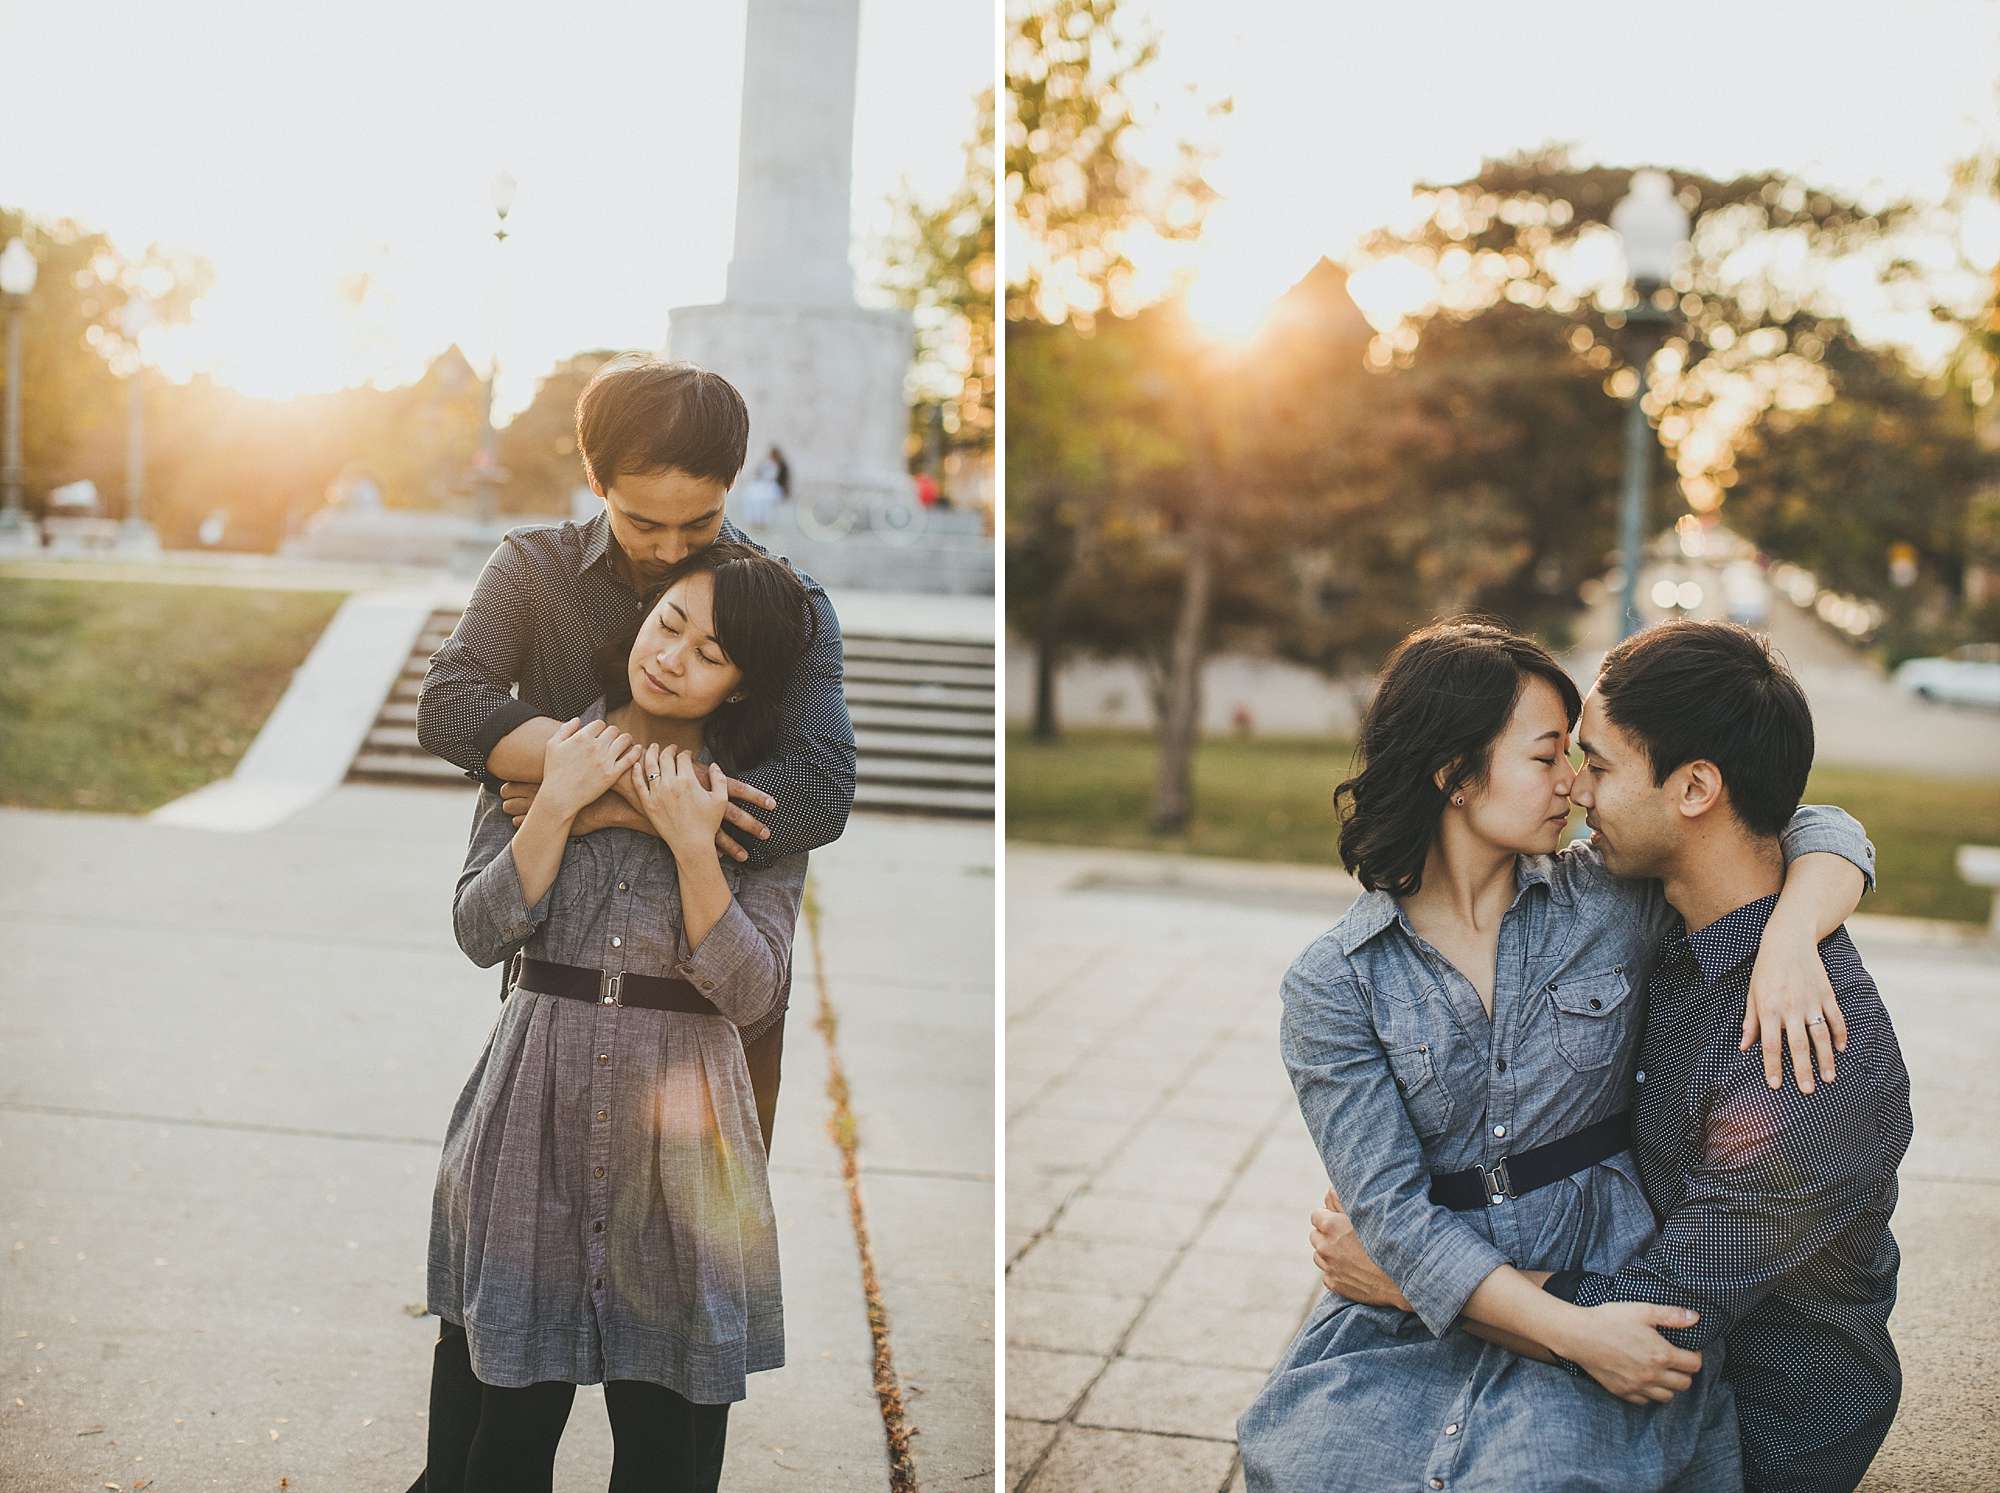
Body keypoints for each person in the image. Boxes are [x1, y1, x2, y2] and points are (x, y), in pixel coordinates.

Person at [1237, 619, 1880, 1493]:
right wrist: (1547, 1321)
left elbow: (1791, 824)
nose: (1575, 786)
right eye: (1549, 758)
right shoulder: (1335, 982)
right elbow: (1387, 1211)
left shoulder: (1611, 899)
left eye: (1586, 761)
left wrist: (1792, 932)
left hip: (1603, 1274)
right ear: (1454, 773)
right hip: (1427, 1303)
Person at [409, 357, 856, 1490]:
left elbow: (815, 789)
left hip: (700, 1018)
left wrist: (600, 793)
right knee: (500, 1362)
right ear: (594, 477)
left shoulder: (774, 604)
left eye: (696, 520)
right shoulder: (537, 570)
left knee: (674, 1329)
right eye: (641, 520)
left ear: (732, 488)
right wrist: (597, 787)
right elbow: (452, 706)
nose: (668, 549)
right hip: (554, 995)